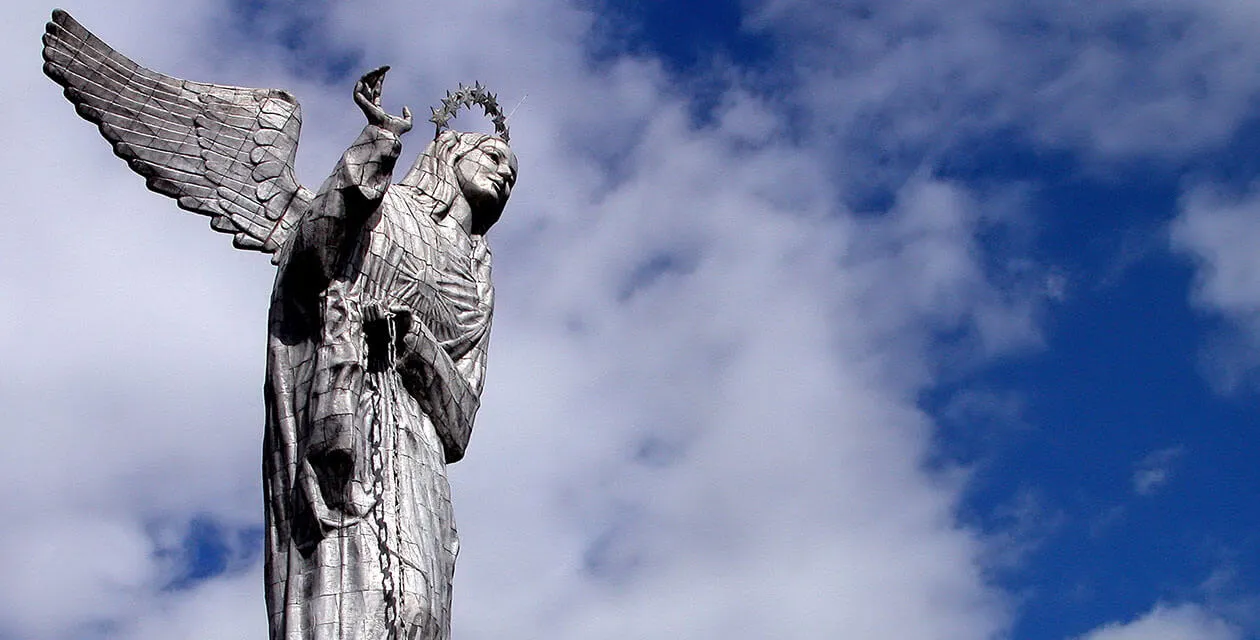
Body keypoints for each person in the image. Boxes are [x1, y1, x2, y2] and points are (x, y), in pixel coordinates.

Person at [261, 67, 517, 640]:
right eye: (494, 156)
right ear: (450, 153)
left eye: (513, 175)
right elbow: (313, 255)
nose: (505, 174)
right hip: (347, 408)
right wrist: (378, 141)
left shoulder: (477, 280)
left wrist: (415, 342)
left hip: (417, 444)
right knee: (354, 593)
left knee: (419, 609)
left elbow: (460, 423)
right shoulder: (385, 207)